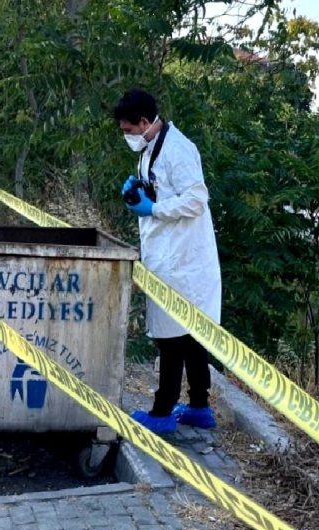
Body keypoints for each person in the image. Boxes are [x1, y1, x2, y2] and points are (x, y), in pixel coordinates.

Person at [114, 88, 222, 435]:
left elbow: (196, 199)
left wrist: (155, 208)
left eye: (129, 130)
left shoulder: (178, 149)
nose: (127, 136)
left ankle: (162, 412)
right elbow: (162, 188)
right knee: (189, 335)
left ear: (145, 121)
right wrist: (139, 190)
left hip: (184, 260)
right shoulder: (150, 148)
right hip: (169, 255)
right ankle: (199, 406)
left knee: (172, 337)